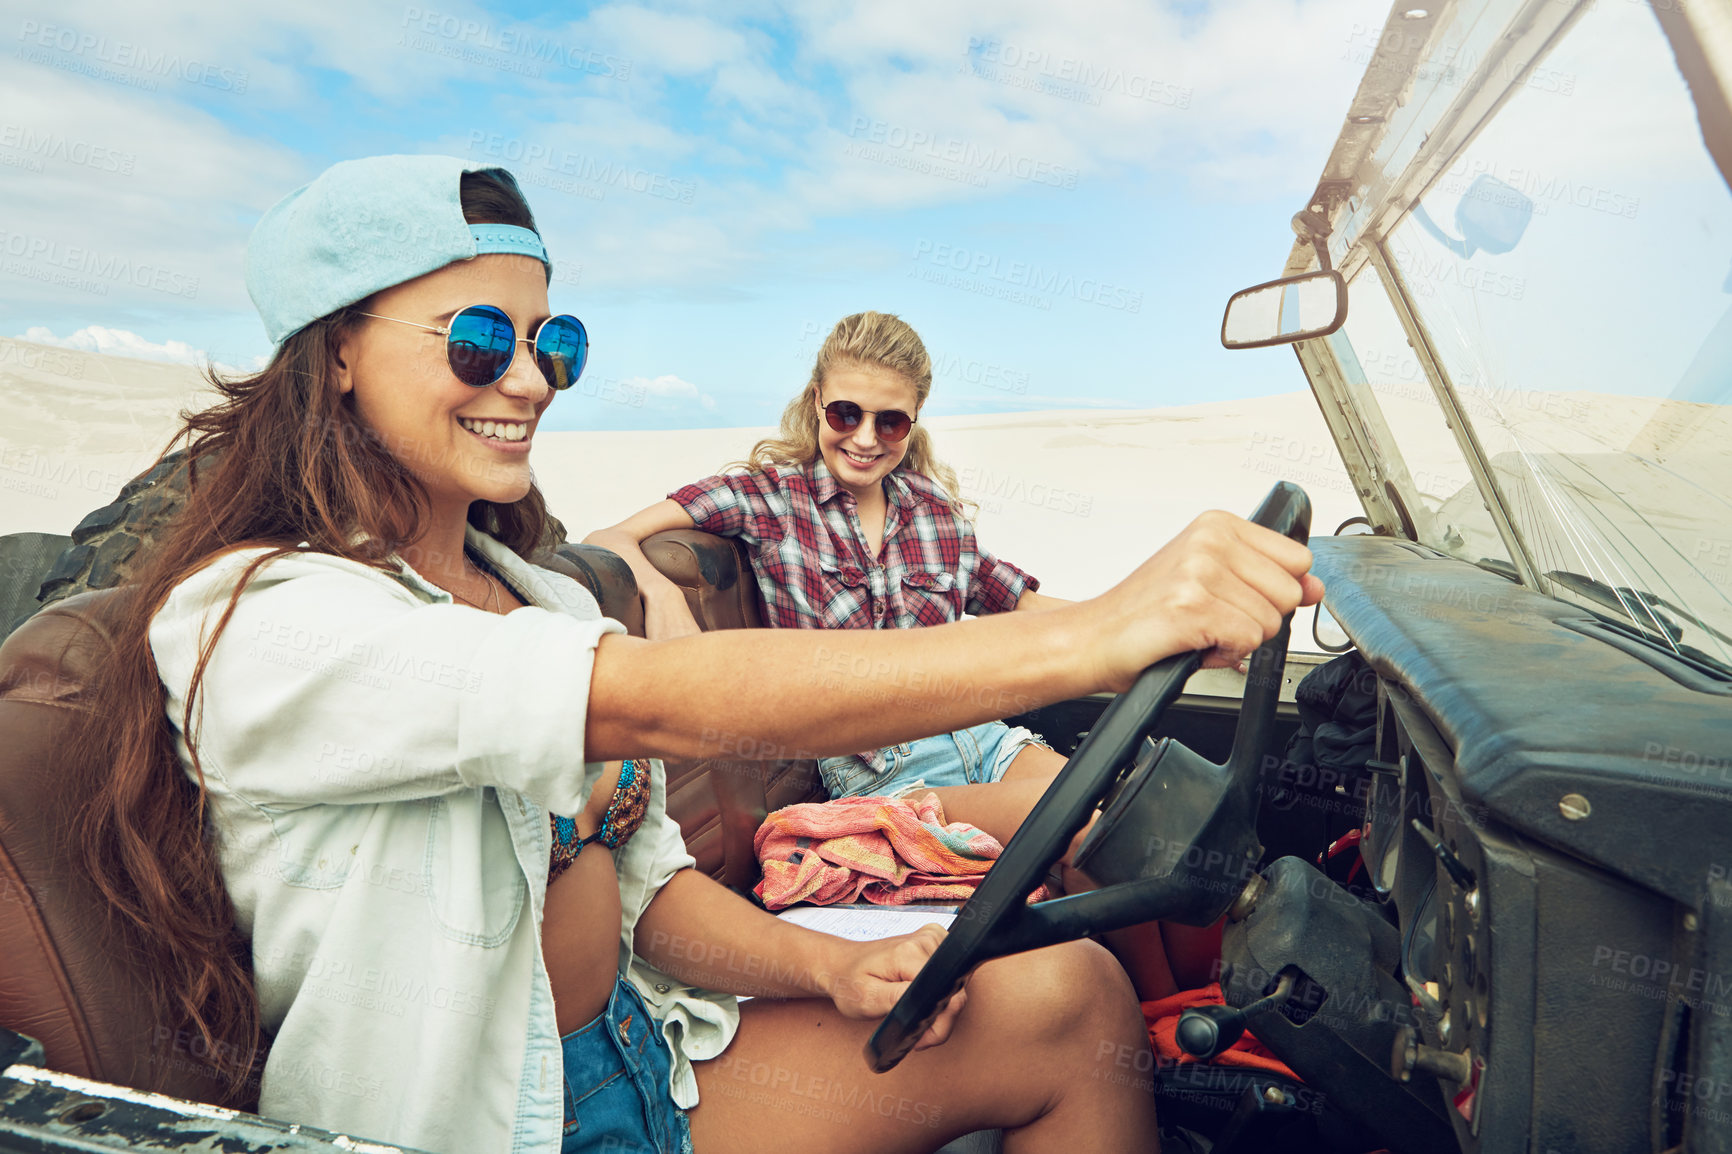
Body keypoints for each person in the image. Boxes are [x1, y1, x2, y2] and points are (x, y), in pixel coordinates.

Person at [66, 155, 1322, 1154]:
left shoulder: (536, 599)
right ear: (336, 351)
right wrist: (1097, 634)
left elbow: (652, 891)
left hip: (645, 1058)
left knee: (1073, 999)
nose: (528, 380)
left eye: (552, 345)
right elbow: (653, 703)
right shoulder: (269, 618)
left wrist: (831, 968)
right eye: (475, 341)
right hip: (477, 1122)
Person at [586, 314, 1198, 997]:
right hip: (879, 773)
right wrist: (661, 595)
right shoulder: (769, 498)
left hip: (980, 741)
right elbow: (611, 536)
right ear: (817, 400)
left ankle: (1191, 1013)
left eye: (891, 422)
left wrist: (1156, 627)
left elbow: (1019, 605)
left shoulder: (933, 510)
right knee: (1087, 836)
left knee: (1138, 823)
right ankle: (1161, 1023)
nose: (866, 438)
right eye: (846, 413)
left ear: (916, 419)